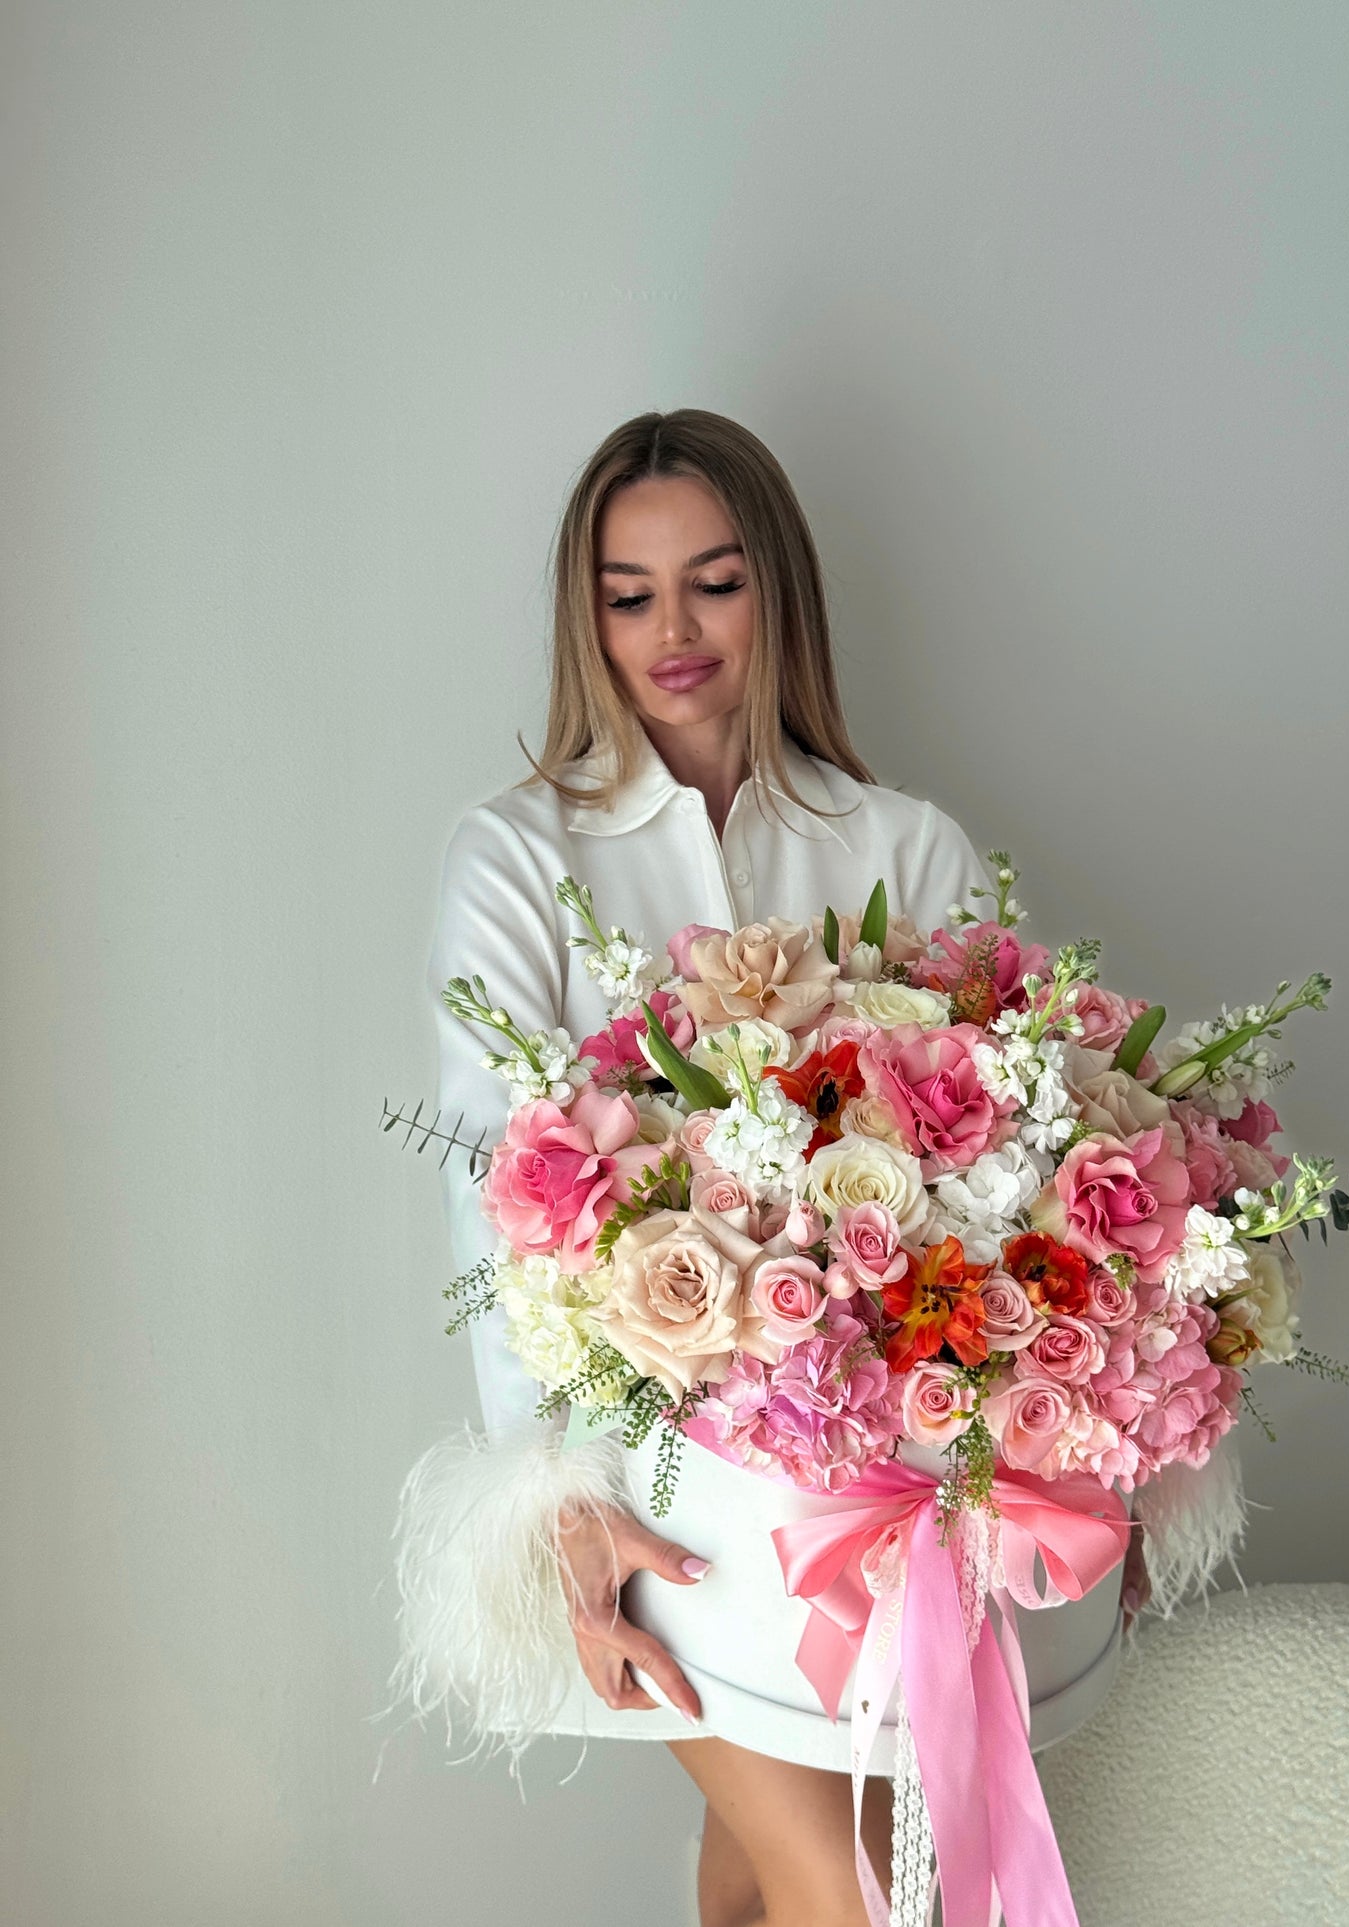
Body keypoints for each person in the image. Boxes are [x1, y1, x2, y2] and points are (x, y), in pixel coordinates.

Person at [393, 407, 1154, 1927]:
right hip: (655, 1484)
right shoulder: (514, 857)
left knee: (761, 1889)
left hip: (876, 1491)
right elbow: (498, 1191)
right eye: (627, 593)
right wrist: (559, 1496)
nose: (671, 630)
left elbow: (1005, 1165)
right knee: (862, 1898)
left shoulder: (907, 844)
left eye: (713, 582)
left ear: (779, 594)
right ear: (585, 616)